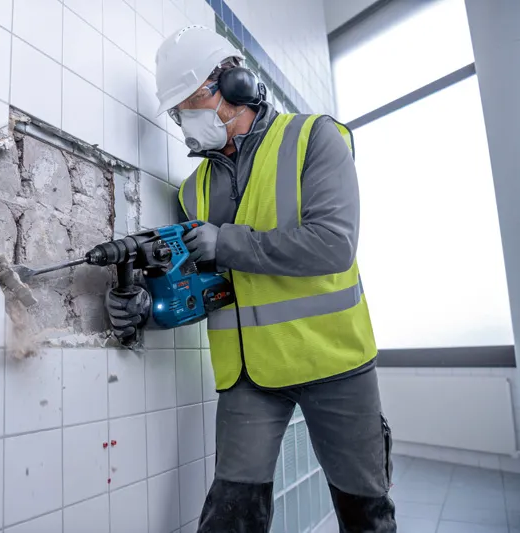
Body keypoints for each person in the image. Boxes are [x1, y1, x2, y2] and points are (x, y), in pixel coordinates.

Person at [105, 25, 397, 532]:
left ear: (235, 85)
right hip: (249, 375)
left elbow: (333, 244)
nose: (183, 119)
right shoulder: (194, 189)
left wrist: (229, 243)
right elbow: (203, 288)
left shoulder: (314, 138)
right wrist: (146, 310)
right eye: (176, 112)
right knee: (230, 517)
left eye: (190, 102)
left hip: (334, 361)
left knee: (365, 514)